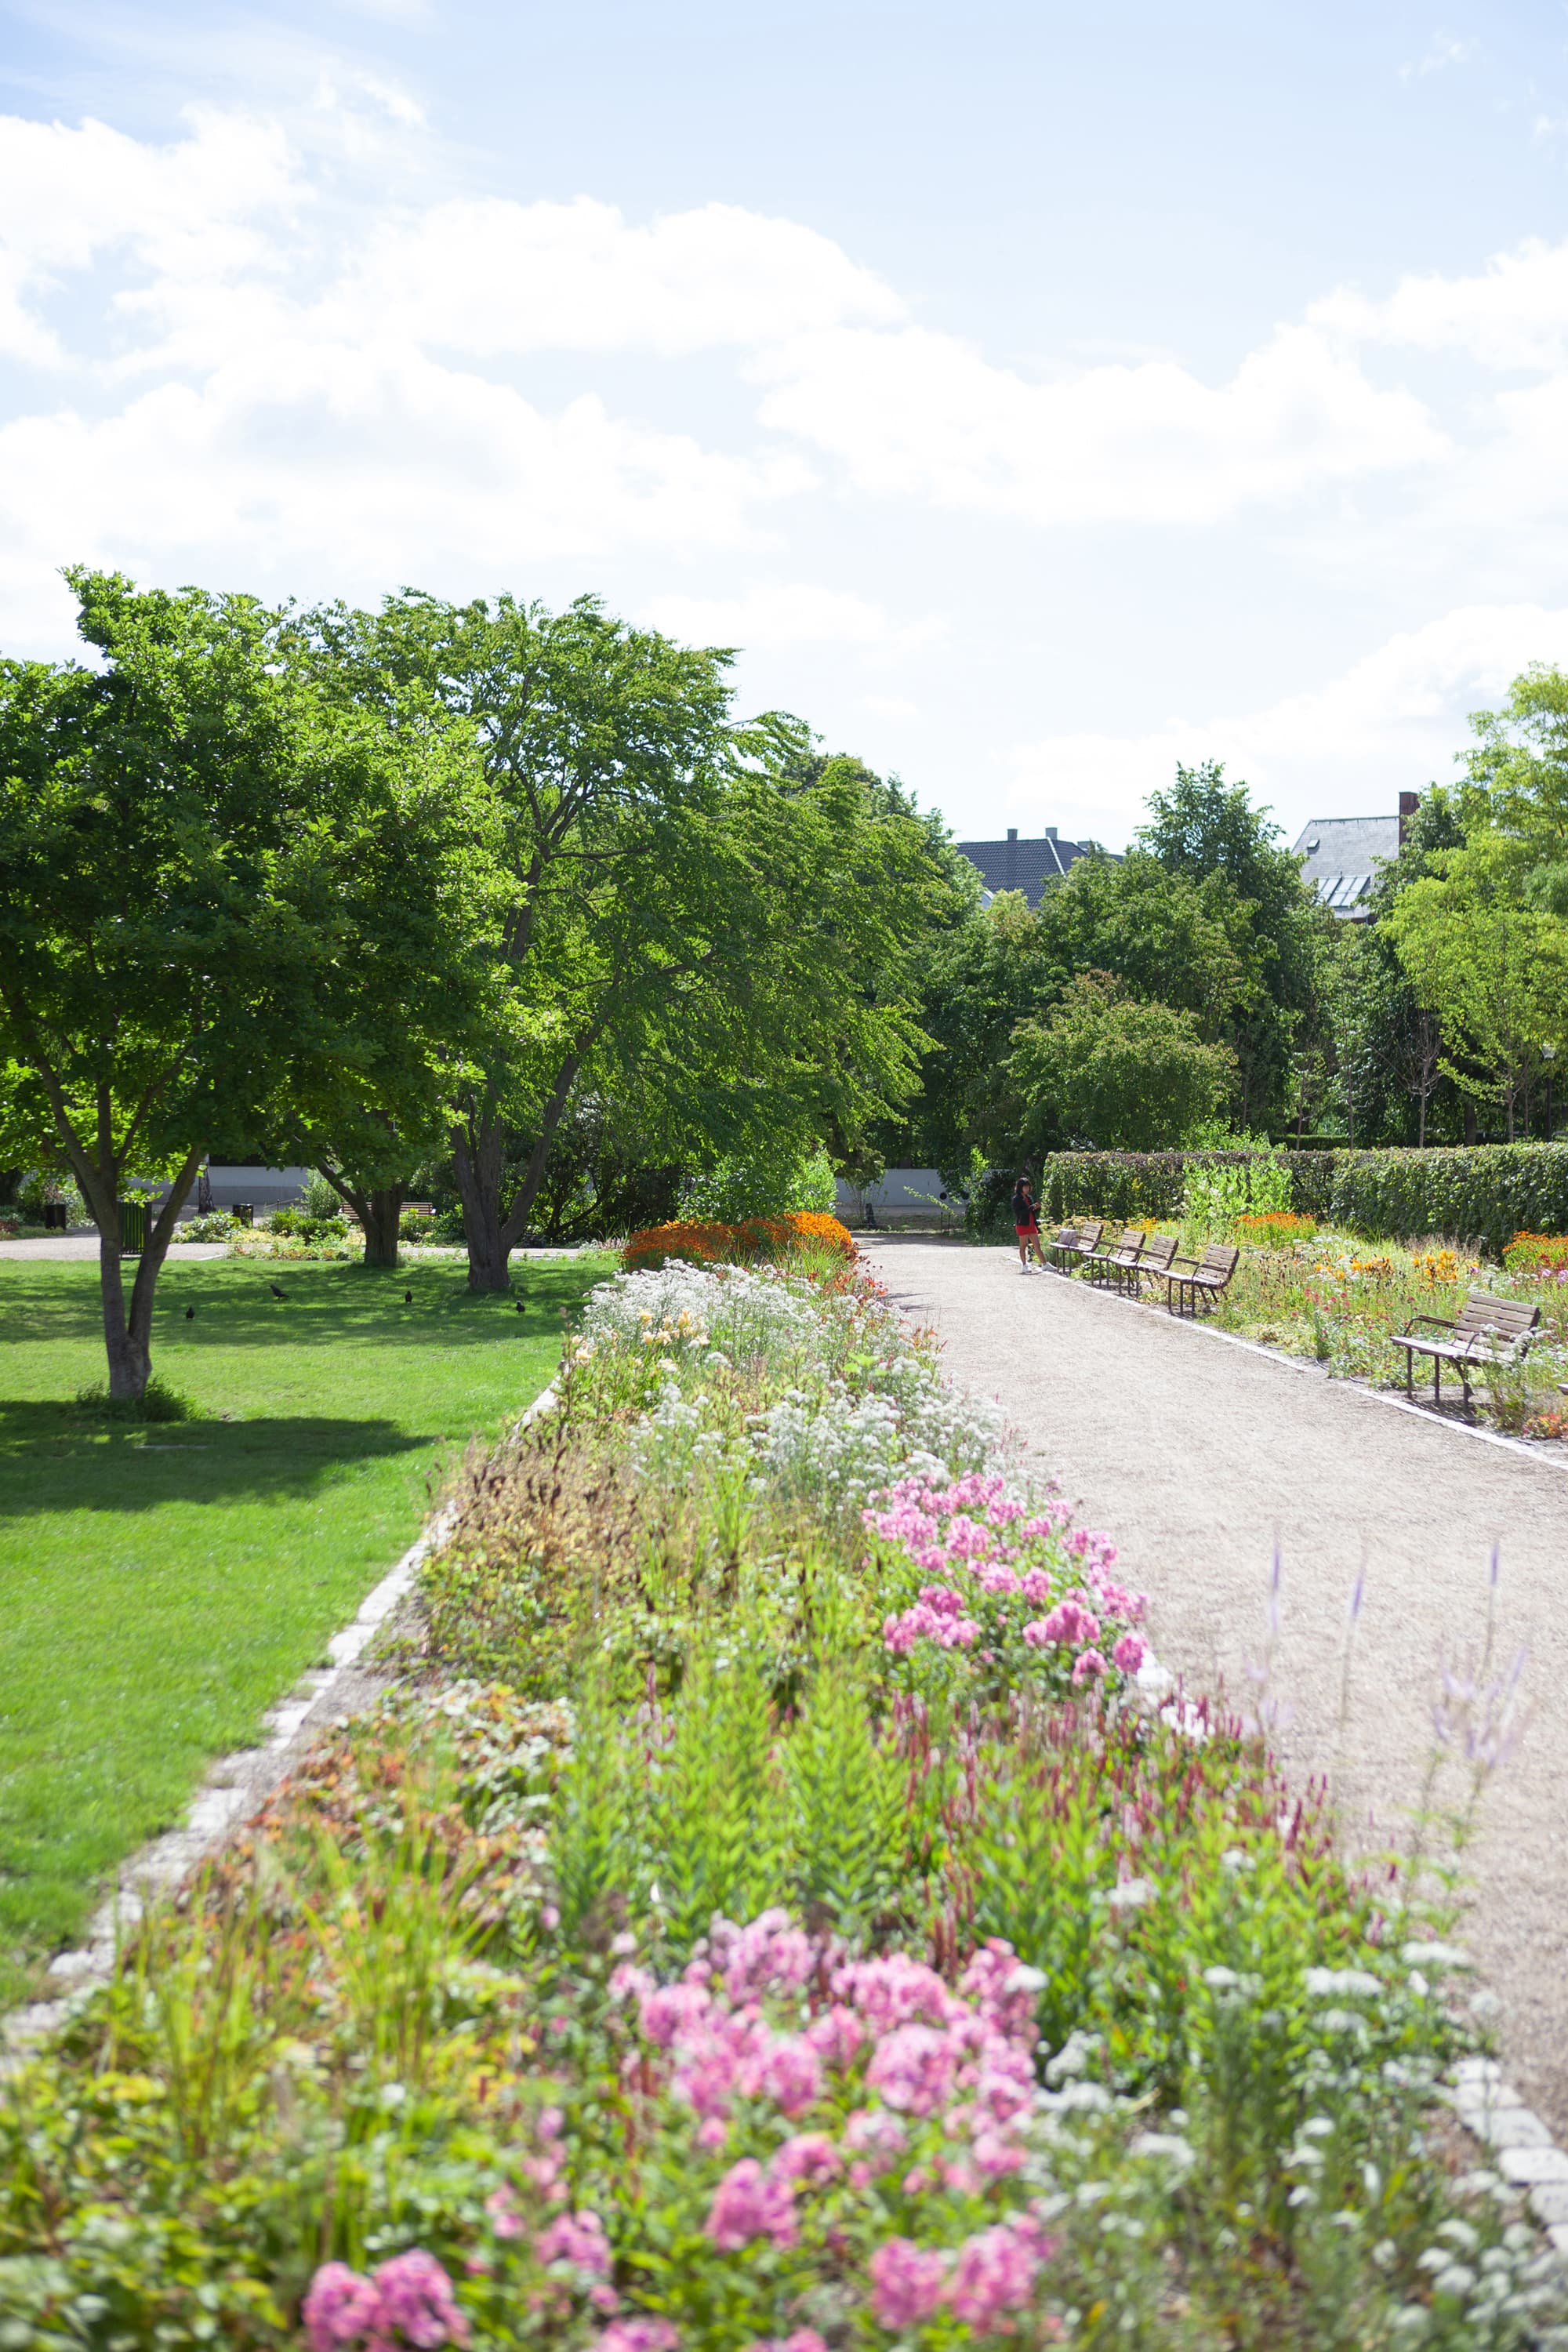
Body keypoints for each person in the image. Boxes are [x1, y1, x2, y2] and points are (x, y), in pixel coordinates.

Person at [1012, 1172, 1045, 1272]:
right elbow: (1020, 1212)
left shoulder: (1029, 1198)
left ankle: (1045, 1263)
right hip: (1022, 1225)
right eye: (1024, 1187)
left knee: (1037, 1245)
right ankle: (1024, 1264)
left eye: (1028, 1187)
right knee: (1023, 1245)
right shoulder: (1016, 1199)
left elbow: (1032, 1211)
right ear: (1020, 1188)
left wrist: (1037, 1208)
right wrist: (1031, 1207)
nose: (1026, 1189)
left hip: (1031, 1224)